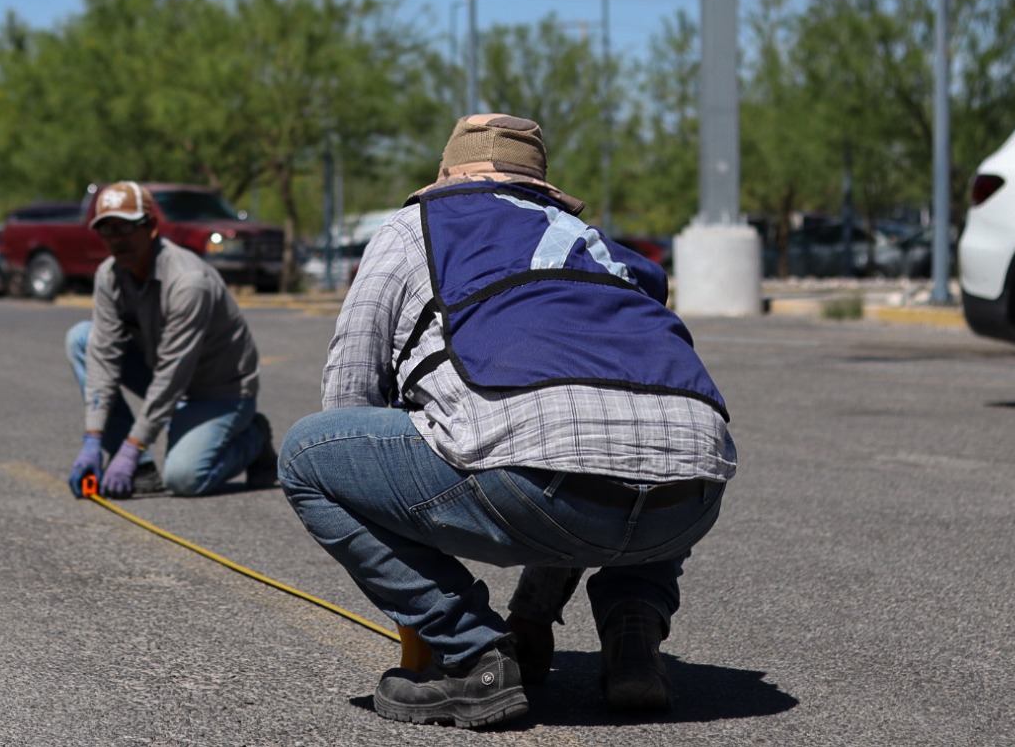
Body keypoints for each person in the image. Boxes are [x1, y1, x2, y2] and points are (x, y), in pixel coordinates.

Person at [278, 114, 737, 729]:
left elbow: (350, 393)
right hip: (689, 499)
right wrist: (533, 616)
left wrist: (392, 533)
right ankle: (633, 637)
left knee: (309, 455)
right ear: (539, 187)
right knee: (636, 435)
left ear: (447, 176)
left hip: (539, 490)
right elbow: (590, 430)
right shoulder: (597, 245)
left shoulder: (416, 226)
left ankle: (473, 658)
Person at [66, 180, 279, 499]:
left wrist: (132, 447)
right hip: (167, 377)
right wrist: (92, 439)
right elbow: (103, 357)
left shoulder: (188, 282)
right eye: (107, 229)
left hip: (218, 392)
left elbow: (172, 375)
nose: (117, 239)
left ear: (151, 227)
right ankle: (142, 469)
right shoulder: (109, 275)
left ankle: (253, 439)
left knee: (184, 478)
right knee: (81, 339)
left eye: (126, 227)